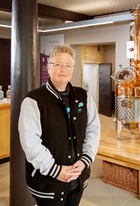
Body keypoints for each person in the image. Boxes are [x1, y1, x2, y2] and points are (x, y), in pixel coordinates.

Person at [18, 44, 101, 206]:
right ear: (48, 67)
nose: (63, 69)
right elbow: (30, 143)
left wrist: (85, 160)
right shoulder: (34, 100)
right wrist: (55, 170)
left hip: (78, 177)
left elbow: (93, 129)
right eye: (58, 64)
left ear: (73, 69)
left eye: (68, 65)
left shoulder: (84, 96)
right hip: (48, 182)